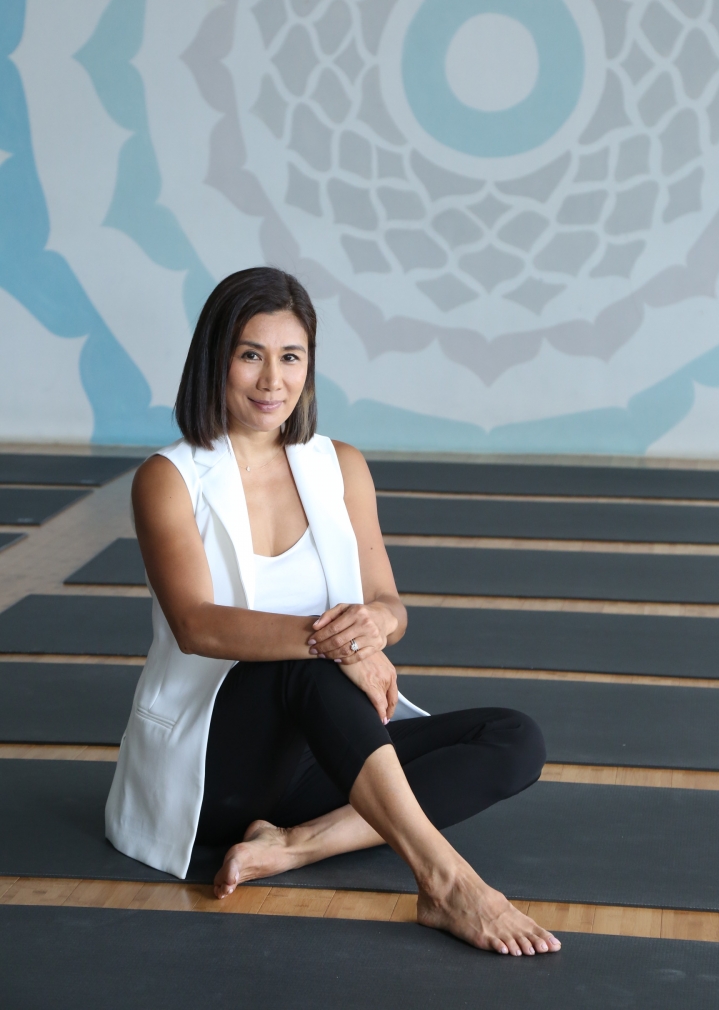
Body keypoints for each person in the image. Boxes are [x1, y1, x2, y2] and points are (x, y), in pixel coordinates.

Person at [106, 266, 561, 958]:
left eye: (291, 357)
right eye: (250, 355)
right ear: (215, 359)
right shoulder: (168, 478)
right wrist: (339, 646)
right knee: (309, 669)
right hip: (214, 771)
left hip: (324, 756)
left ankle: (297, 845)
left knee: (514, 737)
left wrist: (375, 627)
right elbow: (196, 624)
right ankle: (446, 881)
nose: (272, 380)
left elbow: (389, 604)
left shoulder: (340, 465)